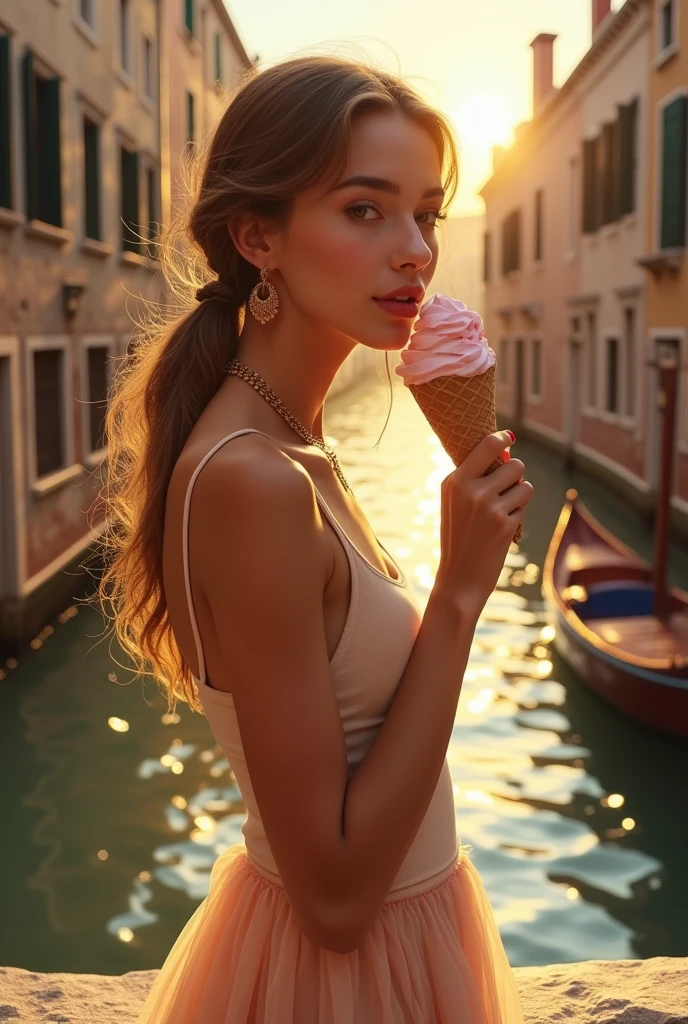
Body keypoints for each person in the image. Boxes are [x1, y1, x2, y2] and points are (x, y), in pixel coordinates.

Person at [99, 53, 533, 1024]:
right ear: (260, 237)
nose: (416, 249)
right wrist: (459, 594)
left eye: (427, 214)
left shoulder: (293, 445)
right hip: (343, 983)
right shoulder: (253, 479)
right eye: (365, 210)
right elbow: (334, 900)